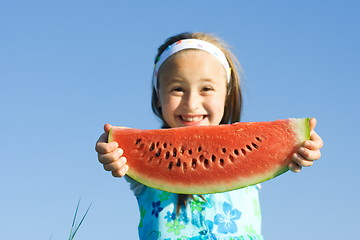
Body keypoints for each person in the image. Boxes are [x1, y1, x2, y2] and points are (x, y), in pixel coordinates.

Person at [95, 32, 323, 240]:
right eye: (177, 89)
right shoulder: (135, 162)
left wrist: (302, 146)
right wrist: (111, 150)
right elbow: (116, 152)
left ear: (227, 94)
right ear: (158, 98)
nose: (192, 103)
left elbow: (291, 144)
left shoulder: (252, 148)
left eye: (206, 88)